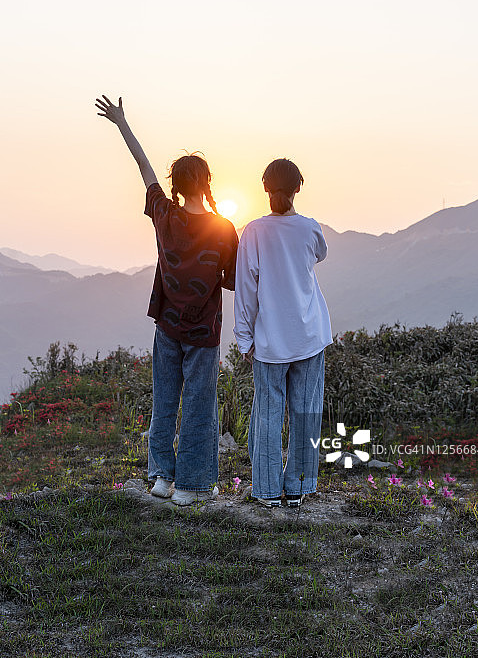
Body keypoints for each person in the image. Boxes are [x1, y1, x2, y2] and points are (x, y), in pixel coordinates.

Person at [95, 95, 239, 505]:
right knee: (198, 405)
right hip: (204, 331)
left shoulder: (164, 214)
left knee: (165, 400)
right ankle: (192, 487)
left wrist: (122, 123)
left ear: (174, 185)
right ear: (207, 183)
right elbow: (232, 280)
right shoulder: (224, 228)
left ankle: (161, 477)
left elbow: (143, 167)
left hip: (167, 324)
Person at [233, 158, 332, 508]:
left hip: (269, 342)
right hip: (309, 337)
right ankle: (300, 488)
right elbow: (320, 253)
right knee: (305, 413)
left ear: (265, 189)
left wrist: (243, 338)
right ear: (298, 187)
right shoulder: (309, 228)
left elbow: (245, 287)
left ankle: (267, 491)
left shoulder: (254, 232)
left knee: (267, 415)